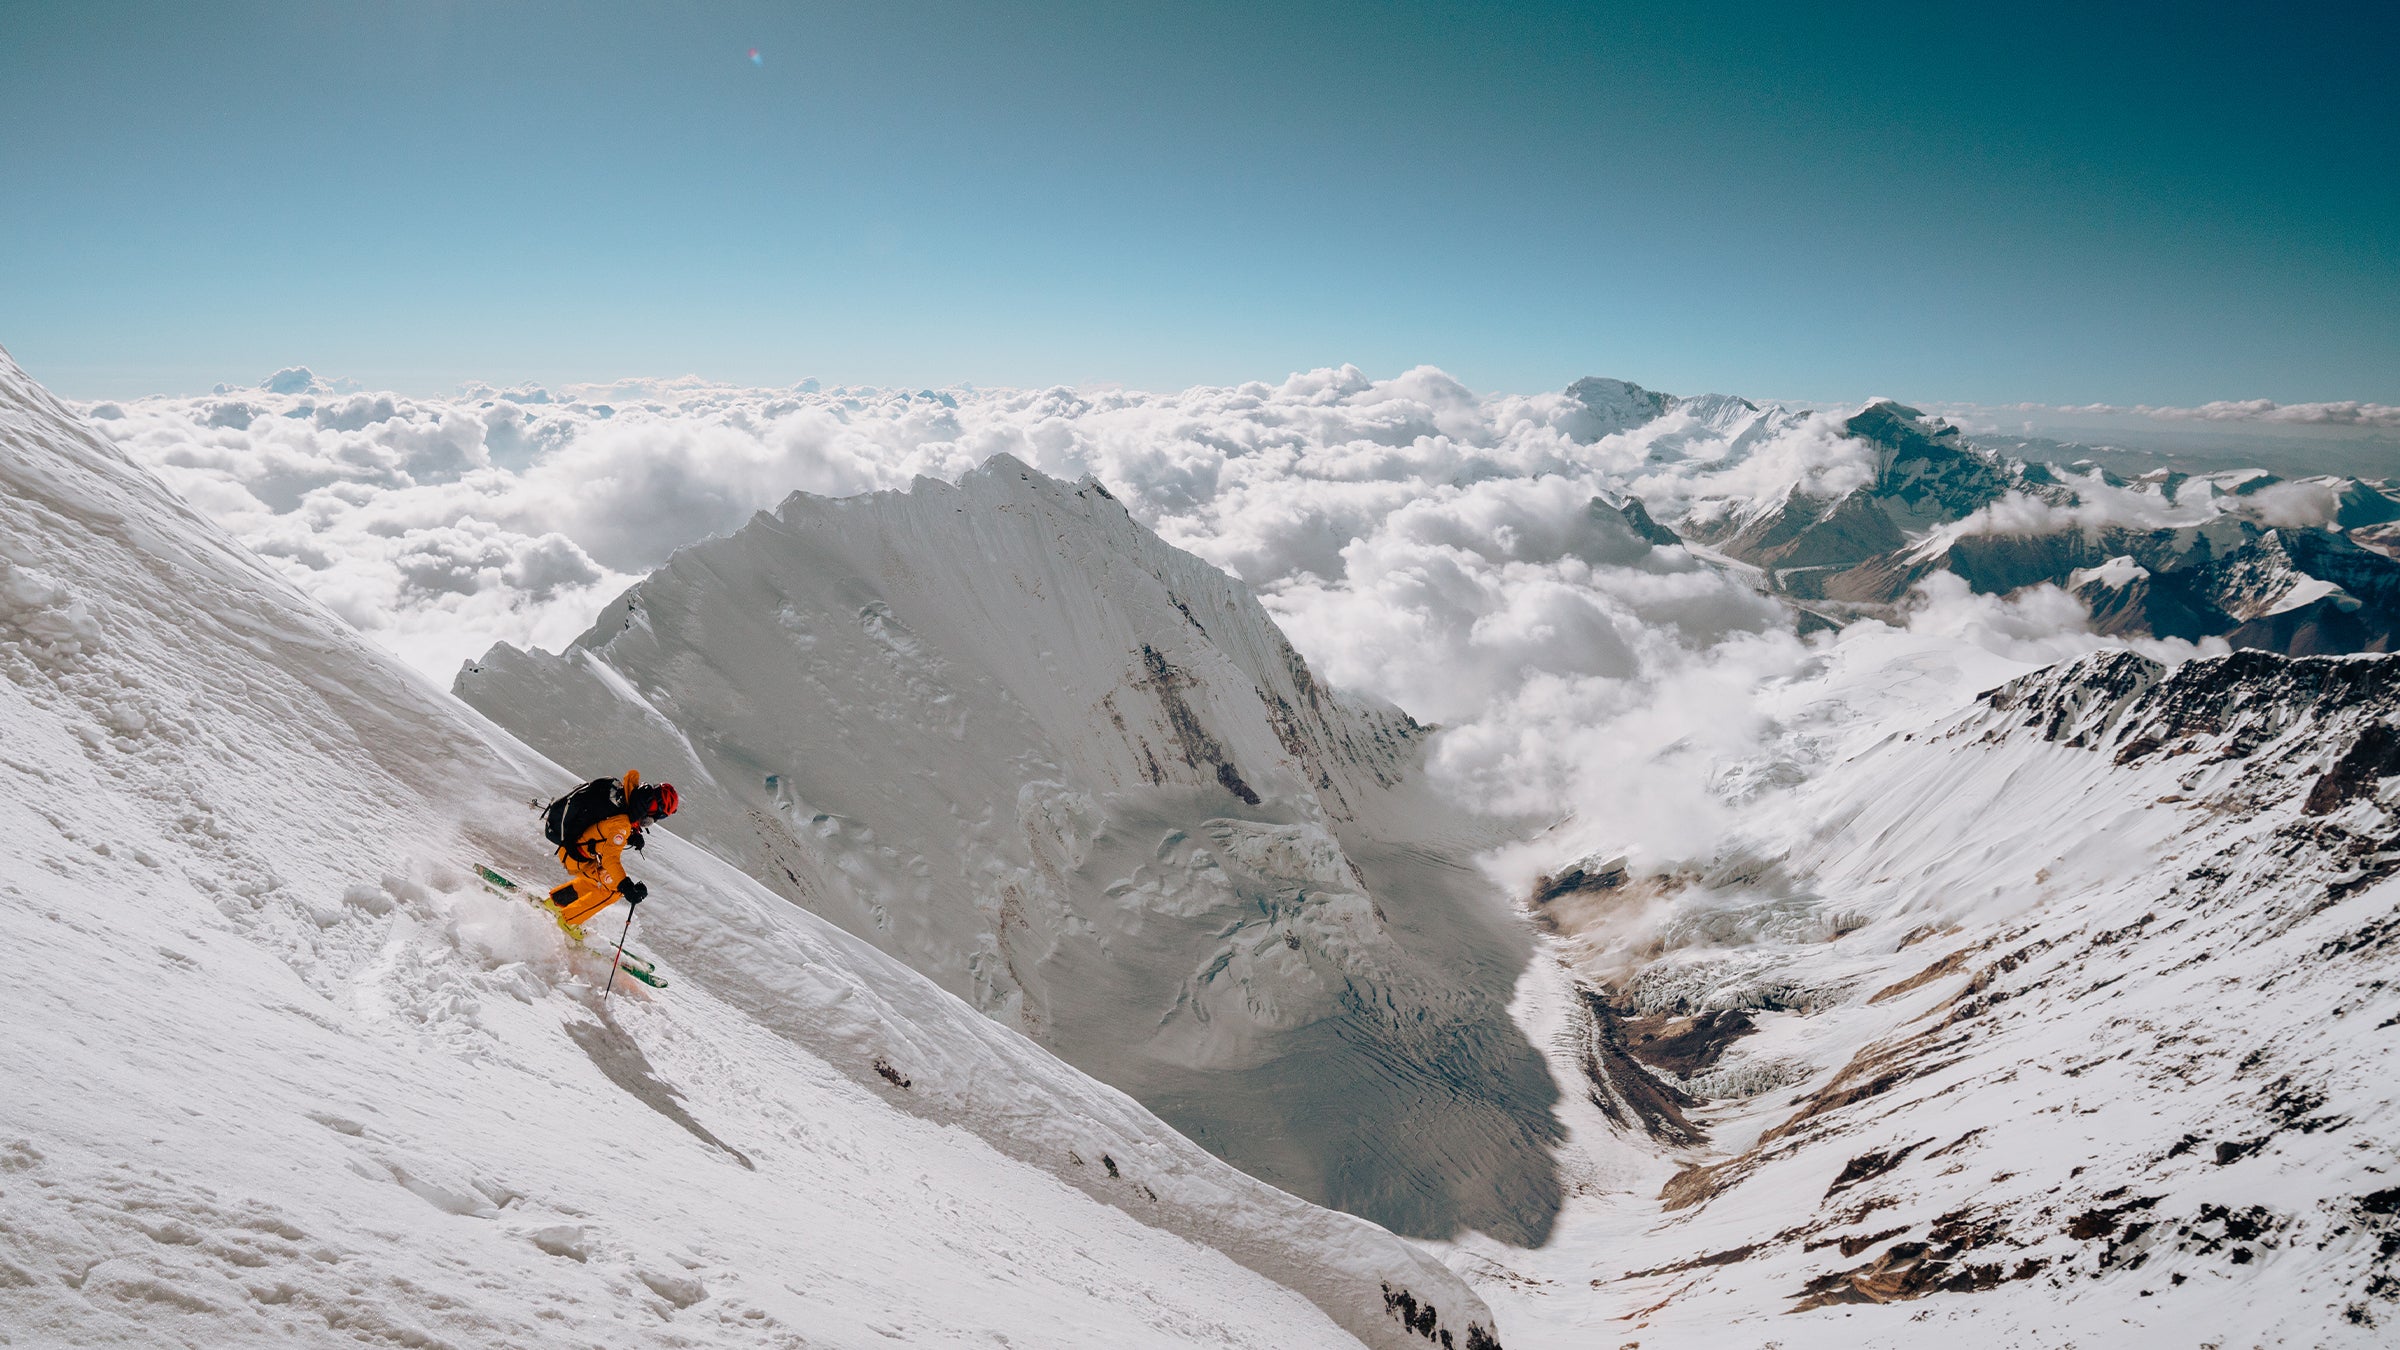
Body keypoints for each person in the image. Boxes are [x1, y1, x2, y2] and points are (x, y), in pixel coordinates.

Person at [548, 769, 679, 929]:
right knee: (613, 889)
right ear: (652, 809)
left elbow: (604, 828)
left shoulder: (623, 798)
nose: (656, 820)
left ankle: (554, 903)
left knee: (601, 881)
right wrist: (626, 886)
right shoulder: (623, 823)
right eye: (661, 815)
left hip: (574, 850)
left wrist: (630, 835)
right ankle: (568, 921)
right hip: (576, 857)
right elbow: (610, 858)